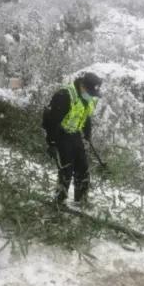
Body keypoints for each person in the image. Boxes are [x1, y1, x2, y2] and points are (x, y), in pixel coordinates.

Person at [42, 72, 103, 206]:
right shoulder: (64, 95)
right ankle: (59, 200)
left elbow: (86, 115)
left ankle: (81, 200)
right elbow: (51, 120)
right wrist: (51, 143)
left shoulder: (88, 97)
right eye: (91, 92)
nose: (92, 96)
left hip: (74, 133)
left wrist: (87, 133)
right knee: (66, 168)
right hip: (60, 133)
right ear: (83, 86)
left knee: (83, 167)